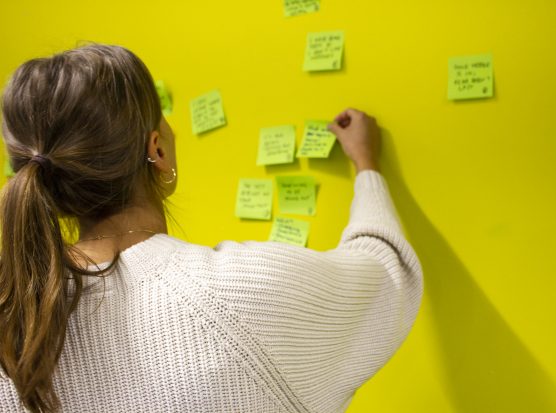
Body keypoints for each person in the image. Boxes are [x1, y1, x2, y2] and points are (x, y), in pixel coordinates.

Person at [0, 44, 423, 413]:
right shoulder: (240, 296)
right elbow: (385, 272)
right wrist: (367, 166)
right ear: (158, 150)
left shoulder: (14, 324)